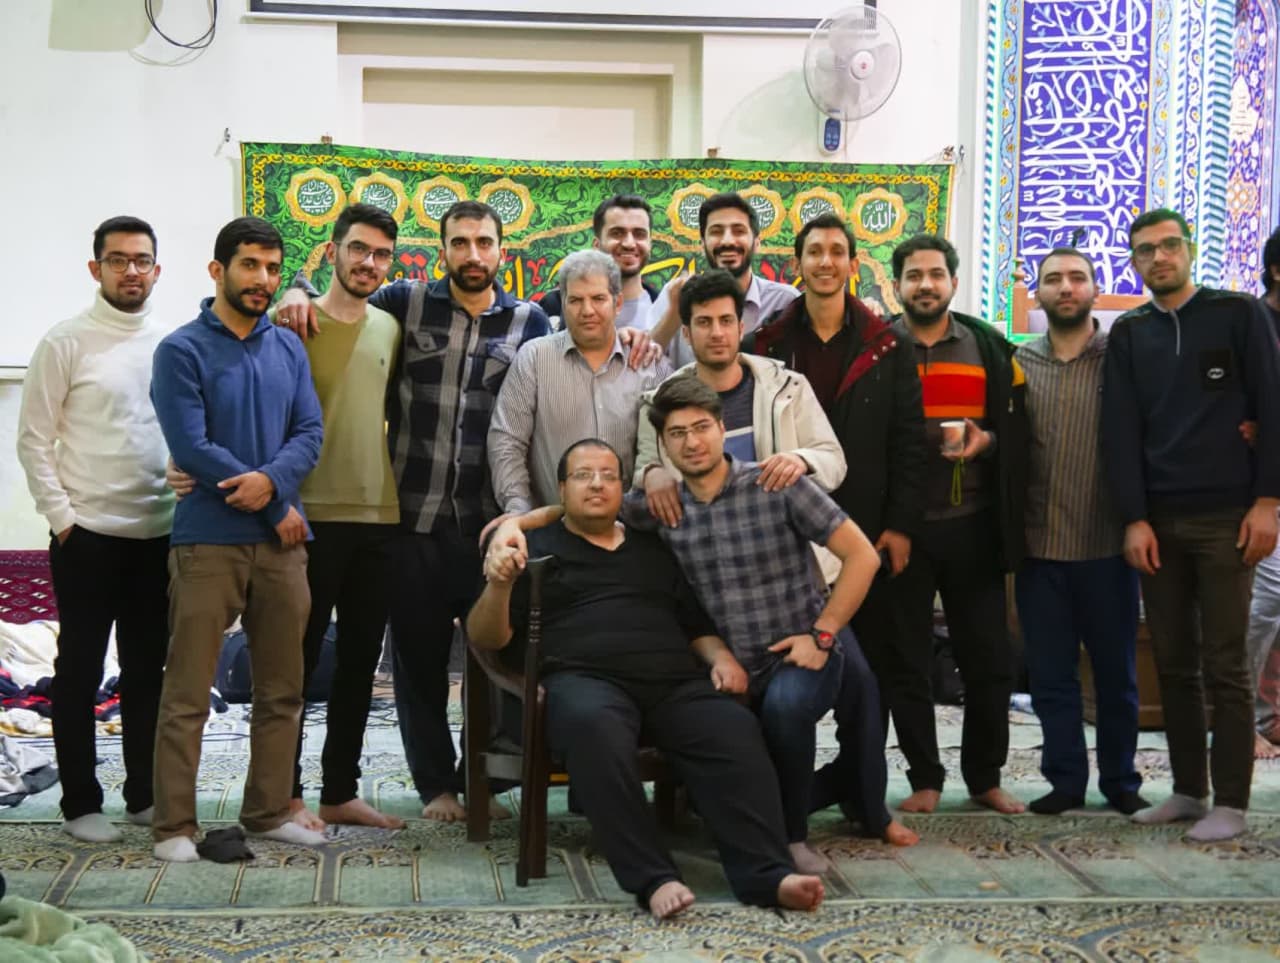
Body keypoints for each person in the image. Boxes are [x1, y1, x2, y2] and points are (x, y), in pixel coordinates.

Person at [467, 438, 825, 920]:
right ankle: (652, 878)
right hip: (585, 681)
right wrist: (499, 584)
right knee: (594, 727)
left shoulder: (652, 546)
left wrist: (721, 657)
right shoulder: (533, 548)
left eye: (608, 475)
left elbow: (693, 622)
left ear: (623, 487)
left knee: (733, 728)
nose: (597, 484)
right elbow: (485, 637)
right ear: (562, 488)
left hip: (673, 683)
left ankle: (766, 873)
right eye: (583, 475)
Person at [276, 200, 550, 822]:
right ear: (442, 249)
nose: (473, 254)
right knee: (418, 660)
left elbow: (585, 335)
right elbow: (341, 299)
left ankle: (482, 777)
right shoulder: (406, 303)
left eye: (484, 242)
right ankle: (436, 786)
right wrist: (295, 288)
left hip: (488, 523)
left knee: (495, 656)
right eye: (460, 242)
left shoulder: (531, 320)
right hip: (410, 518)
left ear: (502, 250)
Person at [635, 269, 913, 846]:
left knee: (860, 691)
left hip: (799, 571)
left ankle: (869, 809)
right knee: (765, 710)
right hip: (720, 582)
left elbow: (832, 458)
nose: (716, 332)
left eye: (726, 320)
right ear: (686, 331)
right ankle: (780, 807)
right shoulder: (664, 400)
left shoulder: (784, 383)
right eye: (703, 322)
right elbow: (646, 467)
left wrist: (799, 461)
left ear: (743, 325)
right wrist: (653, 471)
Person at [170, 204, 406, 829]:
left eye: (381, 254)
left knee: (359, 663)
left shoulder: (392, 325)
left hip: (379, 514)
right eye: (358, 250)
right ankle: (287, 794)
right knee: (292, 667)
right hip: (302, 515)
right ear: (332, 252)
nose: (369, 263)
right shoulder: (289, 320)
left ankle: (340, 790)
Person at [149, 216, 325, 862]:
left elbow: (309, 432)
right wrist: (275, 501)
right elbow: (191, 445)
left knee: (283, 689)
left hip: (282, 549)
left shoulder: (288, 349)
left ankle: (268, 808)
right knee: (188, 691)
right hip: (208, 543)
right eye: (250, 265)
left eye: (273, 268)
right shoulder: (180, 350)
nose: (263, 280)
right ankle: (174, 826)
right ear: (218, 270)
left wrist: (273, 487)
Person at [1103, 209, 1280, 841]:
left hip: (1228, 518)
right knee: (1174, 663)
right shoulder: (1130, 332)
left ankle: (1231, 801)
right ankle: (1187, 790)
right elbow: (1120, 429)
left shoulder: (1238, 314)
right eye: (1145, 250)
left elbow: (1272, 404)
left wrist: (1268, 501)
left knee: (1225, 663)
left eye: (1169, 245)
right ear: (1134, 262)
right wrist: (1134, 518)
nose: (1159, 257)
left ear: (1190, 249)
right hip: (1159, 521)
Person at [748, 213, 930, 822]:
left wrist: (899, 526)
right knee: (783, 672)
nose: (825, 262)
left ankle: (862, 796)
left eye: (836, 252)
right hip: (784, 539)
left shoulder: (887, 344)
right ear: (797, 263)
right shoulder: (769, 344)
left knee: (869, 675)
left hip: (865, 534)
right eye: (814, 252)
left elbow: (909, 442)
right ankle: (778, 795)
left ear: (853, 264)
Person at [16, 216, 174, 843]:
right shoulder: (66, 341)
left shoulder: (173, 343)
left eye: (141, 260)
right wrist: (63, 521)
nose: (131, 271)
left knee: (146, 672)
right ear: (96, 269)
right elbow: (33, 440)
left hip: (158, 532)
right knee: (79, 671)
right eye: (118, 260)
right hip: (87, 536)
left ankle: (143, 796)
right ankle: (81, 802)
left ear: (157, 270)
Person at [887, 233, 1029, 815]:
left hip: (973, 526)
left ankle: (984, 777)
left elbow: (1017, 430)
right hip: (902, 531)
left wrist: (986, 440)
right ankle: (925, 777)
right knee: (906, 660)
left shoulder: (987, 346)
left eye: (936, 274)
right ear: (895, 285)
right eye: (914, 275)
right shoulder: (879, 348)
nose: (925, 285)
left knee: (988, 658)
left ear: (954, 282)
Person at [1013, 248, 1146, 815]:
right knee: (1051, 680)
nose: (1065, 288)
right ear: (1037, 292)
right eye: (1053, 280)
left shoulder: (1123, 359)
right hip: (1040, 549)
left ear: (1094, 288)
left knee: (1116, 679)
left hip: (1109, 547)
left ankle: (1121, 782)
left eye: (1076, 278)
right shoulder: (1019, 363)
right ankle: (1065, 781)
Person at [489, 249, 670, 515]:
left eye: (598, 299)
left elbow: (669, 446)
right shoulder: (535, 358)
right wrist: (519, 510)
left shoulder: (650, 365)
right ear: (563, 303)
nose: (587, 310)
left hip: (633, 528)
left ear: (618, 303)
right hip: (552, 526)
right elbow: (507, 441)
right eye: (575, 300)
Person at [648, 192, 799, 367]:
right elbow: (643, 362)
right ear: (702, 244)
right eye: (716, 232)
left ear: (757, 243)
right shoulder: (675, 296)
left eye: (739, 231)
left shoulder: (785, 301)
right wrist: (675, 313)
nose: (727, 241)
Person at [1246, 226, 1280, 759]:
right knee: (1265, 603)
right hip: (1259, 490)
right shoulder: (1251, 324)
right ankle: (1240, 717)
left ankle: (1270, 715)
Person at [537, 194, 659, 329]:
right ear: (596, 245)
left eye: (639, 234)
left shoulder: (666, 309)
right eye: (617, 233)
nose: (629, 243)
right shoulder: (555, 305)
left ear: (650, 244)